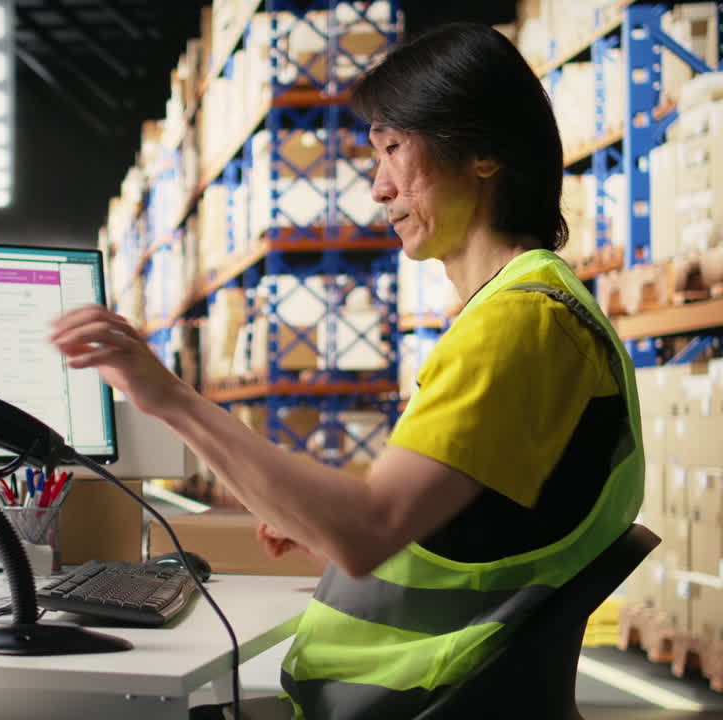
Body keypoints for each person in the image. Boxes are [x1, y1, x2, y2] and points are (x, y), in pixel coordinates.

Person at [50, 22, 644, 720]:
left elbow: (368, 530)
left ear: (482, 152)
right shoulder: (530, 312)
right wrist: (314, 522)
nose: (378, 188)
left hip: (399, 703)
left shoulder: (524, 323)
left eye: (394, 149)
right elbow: (467, 544)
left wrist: (169, 397)